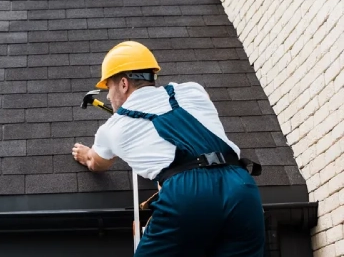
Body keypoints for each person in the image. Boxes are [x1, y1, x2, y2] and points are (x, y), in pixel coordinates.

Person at [72, 40, 265, 257]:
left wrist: (85, 153)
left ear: (124, 84)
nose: (107, 96)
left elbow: (96, 162)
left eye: (109, 87)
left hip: (189, 194)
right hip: (241, 185)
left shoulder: (112, 129)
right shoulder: (193, 90)